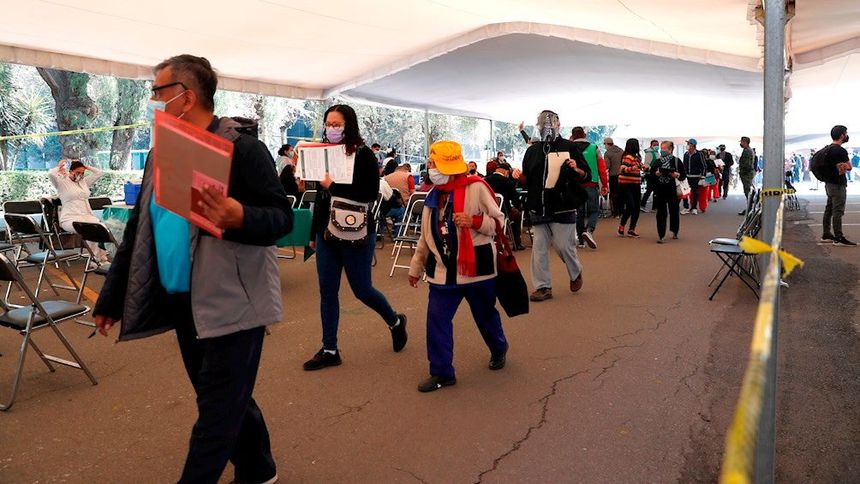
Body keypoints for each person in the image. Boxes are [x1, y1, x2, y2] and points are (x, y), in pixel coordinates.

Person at [92, 55, 292, 484]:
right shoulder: (161, 153)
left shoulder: (242, 149)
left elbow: (281, 218)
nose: (153, 100)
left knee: (215, 415)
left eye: (158, 92)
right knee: (220, 396)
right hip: (182, 298)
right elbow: (138, 229)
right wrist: (111, 298)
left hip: (232, 302)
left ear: (186, 97)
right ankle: (259, 469)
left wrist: (240, 216)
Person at [304, 104, 408, 371]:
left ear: (349, 125)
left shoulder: (363, 155)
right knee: (327, 291)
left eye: (337, 124)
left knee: (362, 289)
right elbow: (321, 197)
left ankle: (395, 321)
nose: (331, 128)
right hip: (326, 232)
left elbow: (369, 194)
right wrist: (313, 234)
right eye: (328, 124)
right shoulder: (324, 153)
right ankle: (329, 349)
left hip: (357, 230)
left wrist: (333, 185)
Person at [408, 140, 508, 392]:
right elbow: (425, 237)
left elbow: (499, 223)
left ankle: (499, 347)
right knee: (437, 321)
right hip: (442, 272)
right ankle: (442, 372)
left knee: (485, 316)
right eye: (431, 163)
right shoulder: (432, 196)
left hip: (476, 270)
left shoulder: (477, 187)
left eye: (434, 164)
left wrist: (474, 221)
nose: (430, 168)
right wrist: (415, 268)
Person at [521, 110, 590, 302]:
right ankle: (543, 287)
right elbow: (527, 179)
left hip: (563, 204)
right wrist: (519, 177)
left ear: (558, 124)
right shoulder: (532, 150)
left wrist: (576, 168)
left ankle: (575, 271)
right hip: (539, 206)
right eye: (542, 123)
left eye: (550, 123)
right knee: (539, 248)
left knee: (563, 246)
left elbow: (586, 175)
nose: (546, 126)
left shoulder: (570, 147)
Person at [48, 159, 108, 263]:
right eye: (78, 172)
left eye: (83, 173)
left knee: (101, 228)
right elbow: (51, 174)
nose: (80, 175)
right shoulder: (62, 182)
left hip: (87, 216)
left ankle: (101, 258)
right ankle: (96, 259)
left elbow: (99, 173)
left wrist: (85, 166)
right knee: (89, 229)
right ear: (70, 171)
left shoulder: (83, 182)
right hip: (69, 218)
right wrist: (59, 166)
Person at [569, 128, 608, 249]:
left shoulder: (569, 148)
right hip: (591, 183)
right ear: (585, 135)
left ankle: (581, 240)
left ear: (572, 136)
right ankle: (589, 230)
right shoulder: (594, 148)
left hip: (576, 184)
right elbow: (602, 168)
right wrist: (605, 184)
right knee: (594, 210)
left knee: (579, 212)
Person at [819, 125, 855, 246]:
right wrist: (846, 165)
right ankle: (838, 238)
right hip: (838, 185)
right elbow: (849, 167)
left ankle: (826, 234)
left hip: (829, 184)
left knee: (829, 209)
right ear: (842, 136)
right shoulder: (840, 151)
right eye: (846, 133)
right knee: (838, 211)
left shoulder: (828, 149)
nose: (847, 135)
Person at [651, 141, 687, 243]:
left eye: (664, 148)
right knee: (661, 213)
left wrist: (676, 175)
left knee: (674, 211)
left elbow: (683, 175)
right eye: (661, 148)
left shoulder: (676, 161)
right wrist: (656, 174)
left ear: (670, 150)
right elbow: (651, 176)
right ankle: (661, 235)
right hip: (660, 190)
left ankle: (675, 230)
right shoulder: (658, 161)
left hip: (673, 190)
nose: (662, 150)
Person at [485, 162, 525, 250]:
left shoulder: (485, 180)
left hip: (487, 212)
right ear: (506, 172)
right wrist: (520, 206)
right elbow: (515, 198)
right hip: (503, 211)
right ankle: (517, 243)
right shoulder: (507, 181)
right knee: (517, 214)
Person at [617, 139, 643, 238]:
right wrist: (632, 168)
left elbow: (638, 168)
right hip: (625, 184)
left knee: (637, 207)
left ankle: (632, 229)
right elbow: (622, 169)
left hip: (636, 184)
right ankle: (622, 225)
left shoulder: (637, 157)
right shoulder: (627, 157)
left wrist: (642, 167)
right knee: (631, 205)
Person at [682, 139, 706, 214]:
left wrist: (703, 176)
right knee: (685, 192)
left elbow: (704, 165)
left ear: (693, 145)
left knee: (695, 192)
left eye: (688, 144)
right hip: (687, 176)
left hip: (696, 176)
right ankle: (686, 207)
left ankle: (694, 208)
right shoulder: (686, 154)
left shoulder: (699, 154)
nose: (687, 145)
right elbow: (684, 165)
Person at [603, 137, 624, 217]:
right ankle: (621, 211)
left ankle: (615, 212)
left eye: (604, 144)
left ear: (607, 144)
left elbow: (607, 166)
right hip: (622, 175)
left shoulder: (607, 153)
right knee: (621, 193)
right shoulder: (621, 150)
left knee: (614, 194)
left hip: (613, 176)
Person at [738, 136, 756, 214]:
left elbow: (747, 164)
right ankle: (750, 208)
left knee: (748, 192)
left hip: (747, 174)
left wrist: (743, 172)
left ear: (745, 142)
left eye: (742, 142)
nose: (741, 143)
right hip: (747, 174)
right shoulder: (747, 150)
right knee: (748, 192)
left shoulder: (747, 151)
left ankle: (750, 209)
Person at [640, 139, 660, 212]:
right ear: (651, 145)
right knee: (651, 190)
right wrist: (650, 169)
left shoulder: (656, 152)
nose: (656, 146)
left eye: (657, 145)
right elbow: (646, 164)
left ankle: (653, 206)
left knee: (654, 191)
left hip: (655, 173)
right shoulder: (649, 153)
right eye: (654, 145)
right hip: (651, 174)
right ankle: (645, 205)